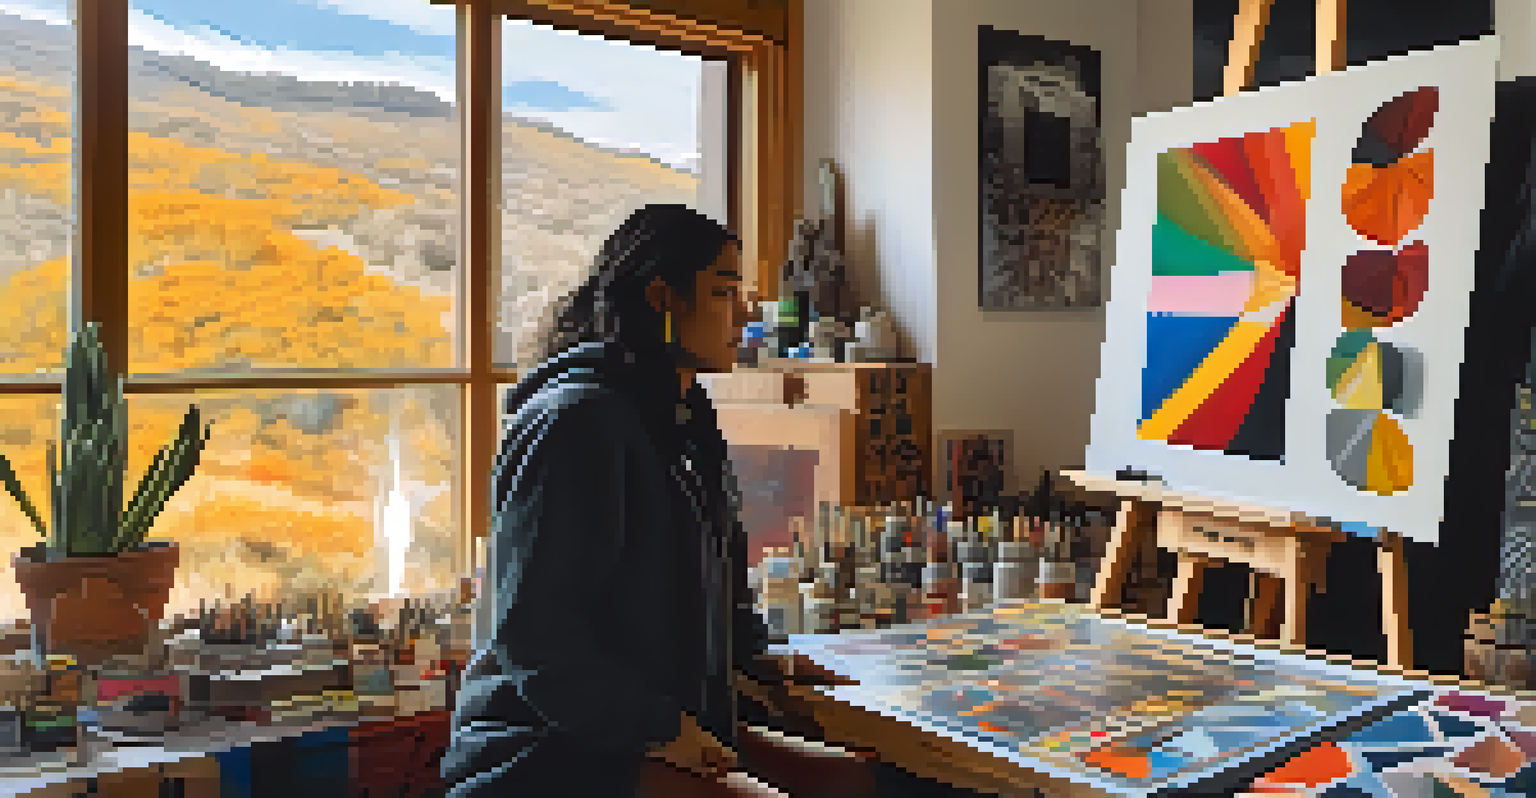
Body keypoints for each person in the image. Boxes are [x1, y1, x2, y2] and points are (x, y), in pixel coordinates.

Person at [441, 205, 872, 798]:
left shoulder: (688, 418)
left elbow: (719, 574)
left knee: (855, 781)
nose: (746, 314)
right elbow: (535, 637)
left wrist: (761, 656)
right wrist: (661, 730)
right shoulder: (577, 421)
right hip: (543, 745)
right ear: (662, 298)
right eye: (724, 292)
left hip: (659, 719)